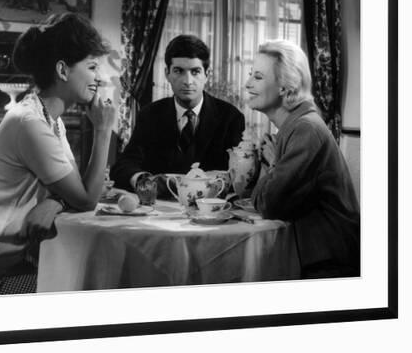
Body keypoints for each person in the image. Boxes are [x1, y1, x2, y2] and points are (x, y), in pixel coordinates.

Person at [0, 13, 116, 293]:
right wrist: (103, 130)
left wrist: (56, 202)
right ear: (62, 70)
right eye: (92, 67)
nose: (100, 78)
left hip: (16, 261)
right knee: (87, 289)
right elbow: (85, 200)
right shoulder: (30, 123)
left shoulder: (50, 120)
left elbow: (76, 192)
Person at [245, 39, 360, 279]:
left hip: (330, 265)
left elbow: (267, 203)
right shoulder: (295, 126)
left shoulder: (305, 129)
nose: (247, 84)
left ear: (285, 87)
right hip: (312, 255)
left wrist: (274, 162)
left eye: (257, 77)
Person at [110, 34, 245, 196]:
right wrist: (142, 180)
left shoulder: (230, 117)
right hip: (159, 211)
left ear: (206, 75)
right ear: (167, 73)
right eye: (179, 71)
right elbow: (124, 165)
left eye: (195, 72)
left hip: (208, 212)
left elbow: (237, 176)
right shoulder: (150, 115)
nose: (187, 81)